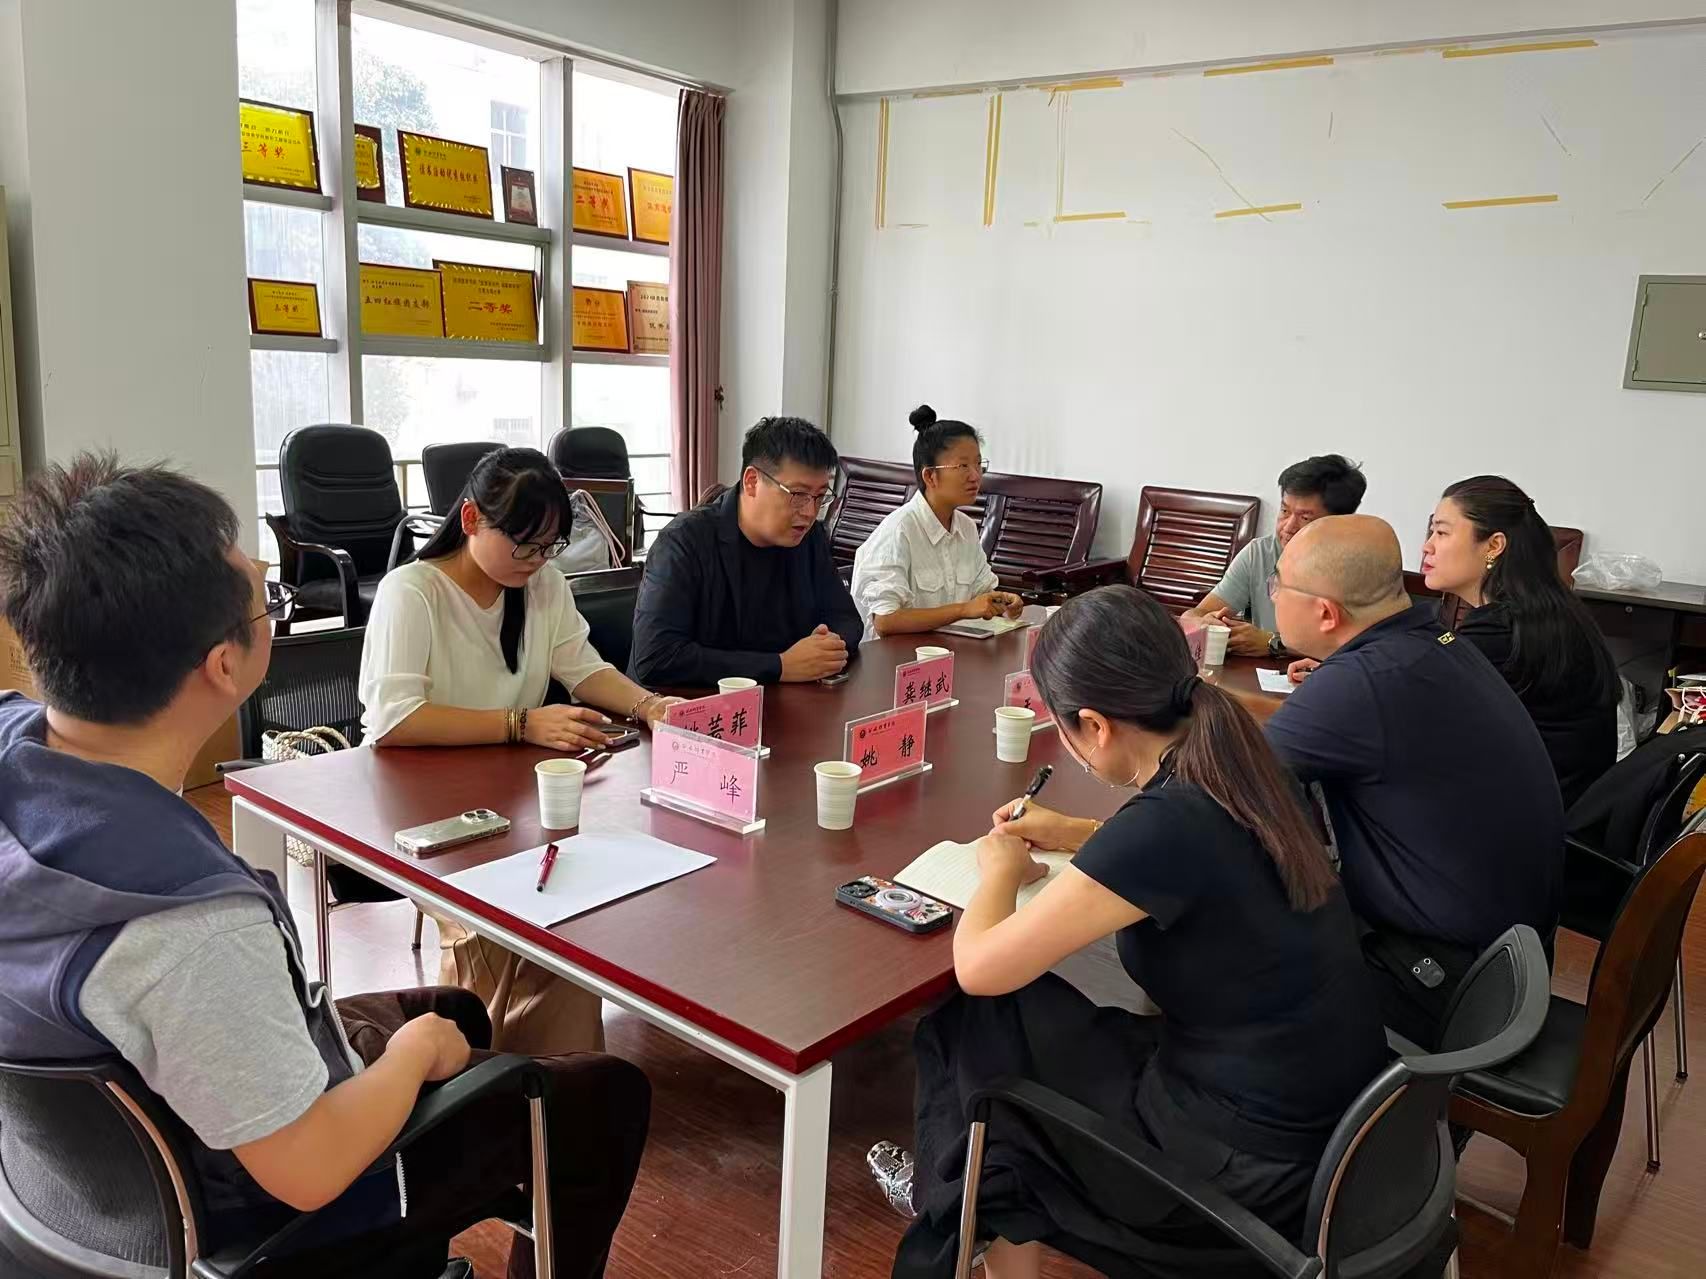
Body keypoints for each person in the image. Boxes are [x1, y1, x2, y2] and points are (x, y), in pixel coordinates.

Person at [0, 456, 649, 1278]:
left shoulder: (18, 750)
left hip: (72, 1197)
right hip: (278, 1211)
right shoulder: (186, 920)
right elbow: (308, 1169)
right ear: (223, 665)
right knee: (604, 1096)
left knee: (455, 1008)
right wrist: (411, 1056)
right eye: (265, 600)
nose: (271, 605)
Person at [880, 586, 1387, 1279]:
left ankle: (951, 1201)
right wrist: (1079, 833)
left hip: (1246, 1170)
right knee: (1001, 1039)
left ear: (1093, 725)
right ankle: (952, 1194)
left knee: (973, 1035)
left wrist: (999, 869)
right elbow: (1195, 854)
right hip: (1328, 1121)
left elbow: (981, 967)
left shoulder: (1165, 823)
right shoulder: (1242, 758)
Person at [360, 446, 681, 1056]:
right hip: (421, 811)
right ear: (472, 519)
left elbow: (582, 667)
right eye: (524, 545)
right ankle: (492, 1070)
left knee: (577, 918)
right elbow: (396, 720)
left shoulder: (542, 584)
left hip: (509, 803)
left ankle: (556, 1081)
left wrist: (648, 705)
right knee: (514, 930)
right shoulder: (414, 592)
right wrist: (521, 724)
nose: (536, 562)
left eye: (549, 548)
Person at [1265, 514, 1563, 1046]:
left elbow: (1225, 786)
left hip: (1446, 985)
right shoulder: (1433, 642)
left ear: (1326, 613)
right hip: (1512, 956)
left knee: (1224, 942)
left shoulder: (1365, 681)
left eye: (1278, 584)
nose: (1272, 595)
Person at [1421, 475, 1619, 808]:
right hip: (1563, 808)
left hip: (1531, 819)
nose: (1427, 546)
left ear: (1494, 546)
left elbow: (1414, 711)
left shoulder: (1502, 631)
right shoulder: (1547, 611)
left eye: (1441, 533)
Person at [628, 416, 863, 686]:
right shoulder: (683, 542)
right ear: (752, 482)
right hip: (688, 704)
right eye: (798, 495)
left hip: (781, 700)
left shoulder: (809, 538)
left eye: (820, 496)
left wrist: (825, 648)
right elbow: (656, 658)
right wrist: (780, 666)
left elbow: (847, 619)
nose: (810, 512)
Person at [849, 404, 1023, 639]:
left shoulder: (966, 528)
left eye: (978, 464)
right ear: (930, 476)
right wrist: (963, 610)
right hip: (897, 657)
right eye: (963, 466)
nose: (975, 475)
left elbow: (981, 593)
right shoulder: (900, 530)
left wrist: (1002, 601)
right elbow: (885, 621)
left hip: (947, 651)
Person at [1185, 454, 1367, 658]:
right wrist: (1204, 623)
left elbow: (1361, 649)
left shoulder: (1359, 566)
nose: (1287, 527)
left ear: (1338, 521)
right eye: (1284, 511)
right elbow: (1192, 616)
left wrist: (1274, 643)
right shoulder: (1259, 553)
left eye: (1305, 518)